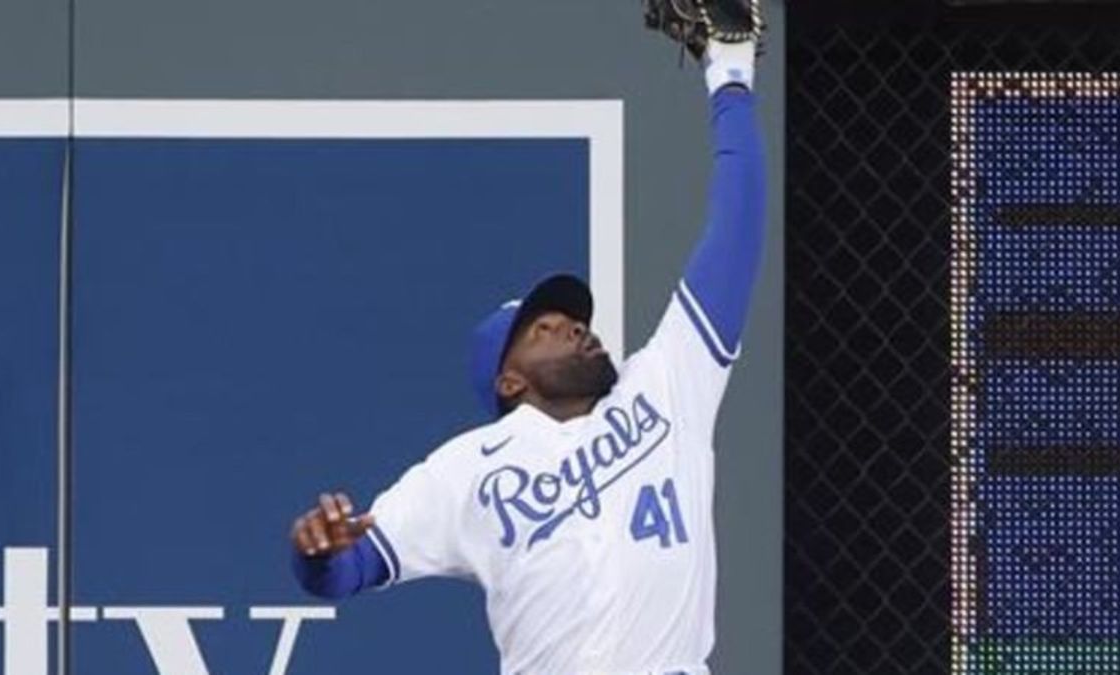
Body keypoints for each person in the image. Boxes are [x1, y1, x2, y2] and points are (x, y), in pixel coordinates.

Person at [288, 34, 766, 675]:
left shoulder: (667, 386)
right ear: (509, 380)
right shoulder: (467, 469)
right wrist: (317, 555)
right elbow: (353, 569)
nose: (575, 328)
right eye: (547, 327)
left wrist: (729, 76)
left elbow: (735, 232)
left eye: (576, 320)